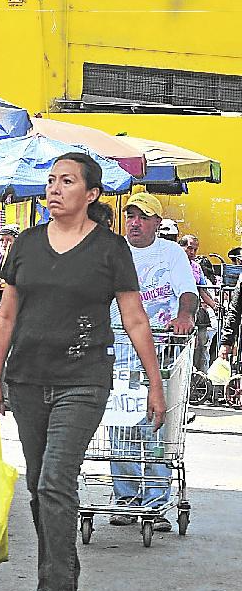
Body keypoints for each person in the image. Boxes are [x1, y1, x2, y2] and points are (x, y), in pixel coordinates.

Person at [0, 153, 165, 591]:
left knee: (55, 481)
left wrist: (155, 382)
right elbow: (6, 316)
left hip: (84, 379)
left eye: (67, 181)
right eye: (51, 180)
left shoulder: (110, 250)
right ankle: (63, 566)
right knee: (40, 484)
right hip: (25, 380)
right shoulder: (24, 245)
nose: (55, 188)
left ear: (92, 194)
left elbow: (135, 318)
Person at [109, 193, 196, 530]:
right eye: (131, 215)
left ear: (157, 223)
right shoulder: (115, 252)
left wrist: (185, 314)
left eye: (143, 217)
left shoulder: (171, 253)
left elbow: (187, 292)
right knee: (122, 427)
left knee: (158, 429)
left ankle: (156, 503)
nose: (135, 222)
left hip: (162, 351)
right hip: (122, 351)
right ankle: (127, 499)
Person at [179, 234, 218, 372]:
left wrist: (214, 306)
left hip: (196, 313)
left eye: (195, 250)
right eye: (189, 248)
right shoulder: (173, 264)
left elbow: (202, 290)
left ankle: (199, 377)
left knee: (201, 346)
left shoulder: (196, 267)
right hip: (178, 314)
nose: (192, 253)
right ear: (180, 247)